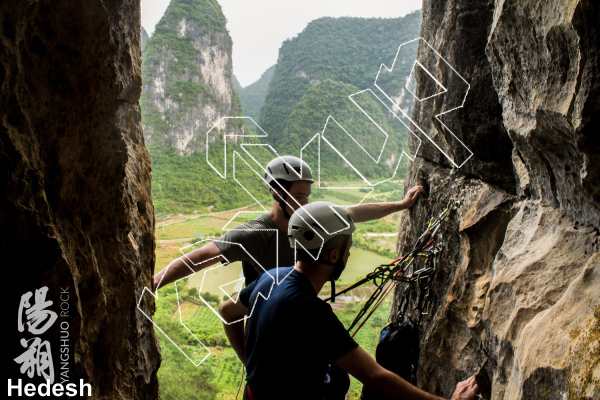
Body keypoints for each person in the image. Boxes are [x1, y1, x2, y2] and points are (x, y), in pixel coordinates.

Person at [219, 201, 479, 400]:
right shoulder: (310, 310)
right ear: (333, 255)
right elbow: (375, 377)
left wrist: (249, 362)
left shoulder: (270, 277)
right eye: (349, 247)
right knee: (339, 378)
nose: (350, 252)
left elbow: (227, 312)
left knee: (336, 372)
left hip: (254, 394)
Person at [153, 155, 426, 289]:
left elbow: (355, 212)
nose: (304, 204)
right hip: (267, 327)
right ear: (276, 192)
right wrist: (153, 284)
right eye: (298, 196)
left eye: (307, 196)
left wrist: (401, 205)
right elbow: (199, 257)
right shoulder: (253, 235)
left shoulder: (313, 221)